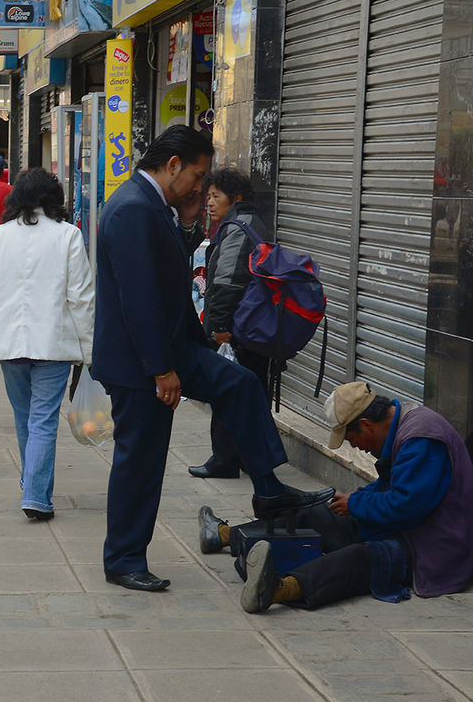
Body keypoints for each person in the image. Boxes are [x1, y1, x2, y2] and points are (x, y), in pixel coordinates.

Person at [92, 126, 330, 592]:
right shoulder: (131, 210)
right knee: (141, 460)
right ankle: (122, 559)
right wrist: (161, 369)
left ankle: (269, 489)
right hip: (143, 360)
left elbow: (168, 268)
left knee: (240, 384)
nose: (201, 188)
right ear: (173, 165)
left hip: (174, 345)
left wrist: (187, 220)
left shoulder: (156, 205)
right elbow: (137, 298)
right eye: (197, 176)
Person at [198, 382, 473, 613]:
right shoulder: (403, 426)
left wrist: (356, 503)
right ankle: (228, 536)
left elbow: (404, 505)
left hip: (432, 545)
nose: (358, 449)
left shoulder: (421, 438)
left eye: (353, 440)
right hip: (407, 526)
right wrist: (357, 499)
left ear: (365, 425)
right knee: (319, 515)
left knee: (362, 557)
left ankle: (280, 589)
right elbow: (393, 487)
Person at [0, 168, 94, 521]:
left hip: (10, 345)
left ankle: (33, 486)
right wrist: (90, 350)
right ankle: (36, 495)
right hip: (52, 344)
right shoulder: (68, 235)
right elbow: (81, 298)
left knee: (26, 418)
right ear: (54, 199)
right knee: (42, 421)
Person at [189, 167, 272, 480]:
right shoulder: (250, 222)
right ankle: (250, 458)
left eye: (215, 196)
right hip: (251, 325)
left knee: (227, 391)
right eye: (207, 196)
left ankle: (225, 460)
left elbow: (228, 280)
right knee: (248, 392)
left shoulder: (238, 226)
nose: (208, 203)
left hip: (239, 327)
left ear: (235, 198)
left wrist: (220, 324)